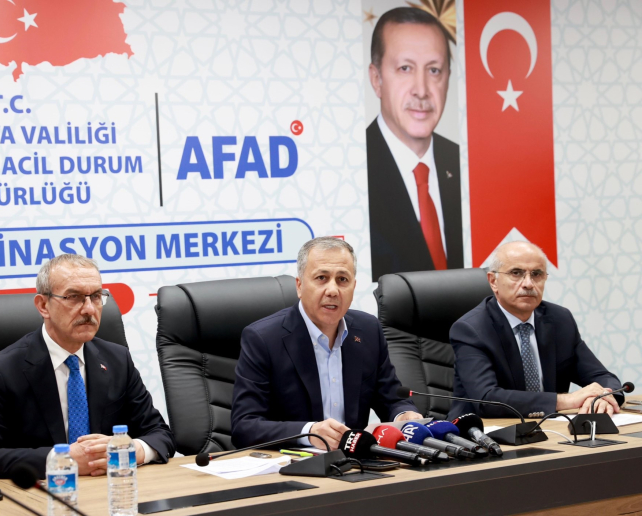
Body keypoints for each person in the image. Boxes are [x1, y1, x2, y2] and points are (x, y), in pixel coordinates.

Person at [0, 254, 175, 479]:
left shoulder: (117, 359)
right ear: (43, 306)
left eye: (96, 296)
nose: (89, 309)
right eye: (74, 297)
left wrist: (133, 451)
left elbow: (160, 434)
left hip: (110, 490)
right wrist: (61, 460)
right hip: (42, 493)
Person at [231, 237, 421, 450]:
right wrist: (309, 432)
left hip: (355, 461)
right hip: (294, 462)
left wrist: (404, 415)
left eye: (342, 279)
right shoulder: (263, 339)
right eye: (321, 278)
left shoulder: (368, 330)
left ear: (354, 287)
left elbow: (392, 398)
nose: (332, 290)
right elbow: (244, 427)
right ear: (300, 286)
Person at [449, 241, 623, 419]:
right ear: (493, 281)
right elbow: (487, 400)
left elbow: (602, 377)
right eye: (516, 273)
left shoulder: (560, 320)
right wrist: (566, 400)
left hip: (551, 428)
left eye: (536, 274)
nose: (528, 284)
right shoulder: (471, 329)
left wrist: (603, 396)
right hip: (481, 431)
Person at [366, 7, 462, 280]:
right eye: (405, 68)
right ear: (376, 79)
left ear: (448, 78)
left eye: (434, 70)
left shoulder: (465, 163)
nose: (421, 90)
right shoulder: (354, 167)